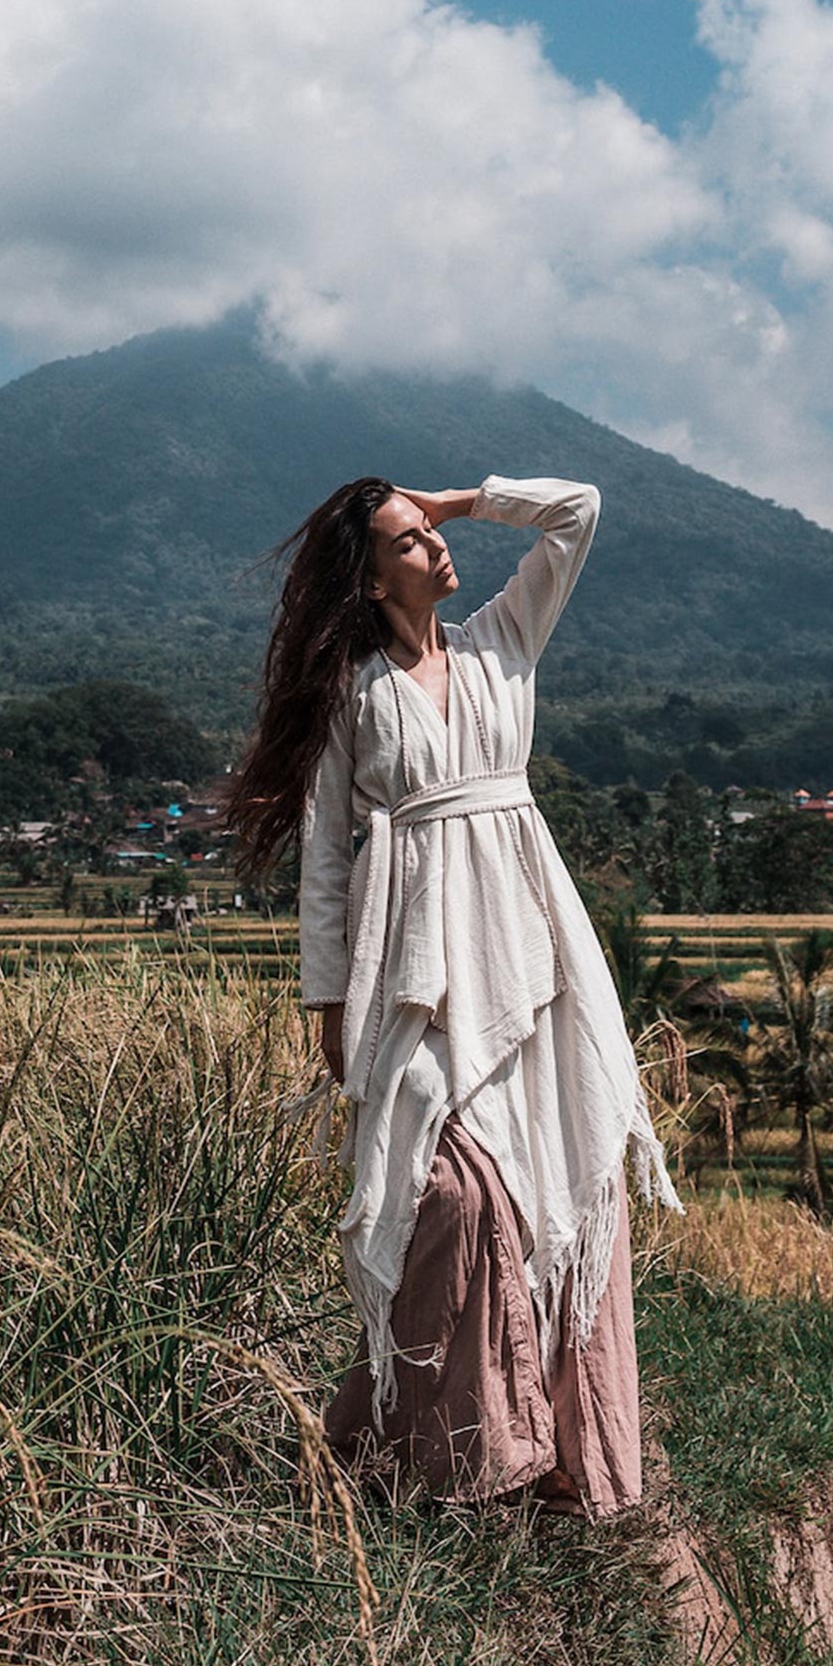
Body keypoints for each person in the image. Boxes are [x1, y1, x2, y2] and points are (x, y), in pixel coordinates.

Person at [228, 474, 682, 1519]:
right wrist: (330, 1001)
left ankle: (561, 1459)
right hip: (417, 968)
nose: (433, 548)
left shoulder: (499, 641)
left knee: (561, 1176)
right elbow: (328, 867)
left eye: (432, 533)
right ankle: (432, 1448)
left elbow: (580, 510)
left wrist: (461, 498)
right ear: (372, 574)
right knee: (449, 1191)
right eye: (409, 540)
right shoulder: (355, 691)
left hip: (530, 950)